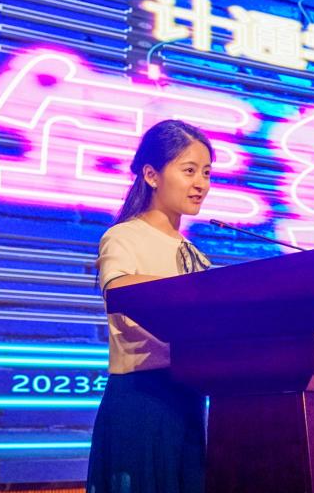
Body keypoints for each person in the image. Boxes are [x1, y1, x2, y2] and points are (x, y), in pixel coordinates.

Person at [87, 119, 214, 493]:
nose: (201, 184)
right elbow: (118, 290)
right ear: (151, 175)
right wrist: (195, 291)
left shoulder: (196, 256)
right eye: (189, 171)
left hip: (188, 397)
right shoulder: (124, 236)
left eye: (207, 173)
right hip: (141, 398)